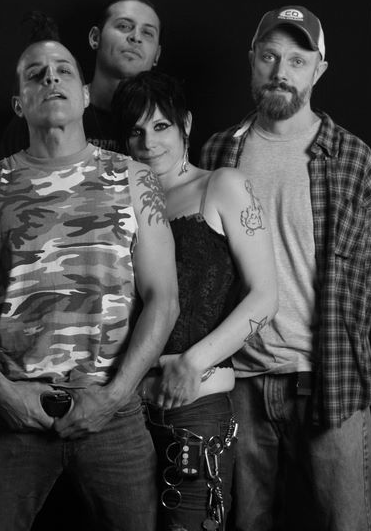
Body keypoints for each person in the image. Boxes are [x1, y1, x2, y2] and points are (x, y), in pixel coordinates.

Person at [0, 30, 179, 530]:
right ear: (19, 103)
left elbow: (163, 297)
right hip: (12, 413)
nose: (51, 78)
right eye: (36, 75)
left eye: (64, 70)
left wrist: (116, 395)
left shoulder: (134, 178)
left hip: (111, 411)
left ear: (86, 94)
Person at [200, 5, 371, 530]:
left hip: (328, 379)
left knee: (348, 523)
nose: (281, 71)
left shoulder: (350, 158)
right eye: (270, 57)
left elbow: (367, 281)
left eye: (298, 61)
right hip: (238, 385)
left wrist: (331, 353)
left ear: (318, 70)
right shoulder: (219, 152)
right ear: (252, 61)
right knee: (242, 523)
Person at [111, 70, 278, 531]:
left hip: (196, 408)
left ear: (185, 123)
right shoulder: (120, 202)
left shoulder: (222, 186)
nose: (149, 143)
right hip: (125, 410)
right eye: (136, 131)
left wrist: (193, 362)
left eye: (161, 126)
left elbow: (265, 296)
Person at [0, 0, 162, 157]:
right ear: (95, 37)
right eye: (124, 26)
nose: (136, 37)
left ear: (157, 55)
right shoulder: (42, 110)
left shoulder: (168, 118)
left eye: (147, 33)